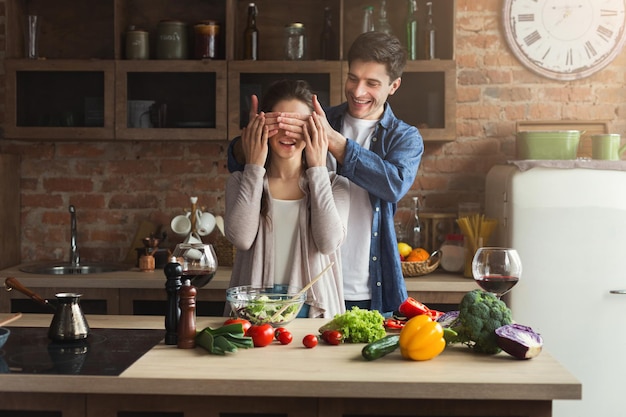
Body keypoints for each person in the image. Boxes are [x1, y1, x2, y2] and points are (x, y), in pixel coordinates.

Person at [228, 32, 423, 314]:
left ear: (394, 85)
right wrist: (251, 141)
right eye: (353, 78)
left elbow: (393, 184)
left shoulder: (404, 137)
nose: (358, 91)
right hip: (310, 282)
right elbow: (242, 162)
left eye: (372, 83)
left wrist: (334, 142)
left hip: (369, 286)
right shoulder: (320, 117)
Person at [224, 79, 350, 319]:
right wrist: (254, 165)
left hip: (314, 312)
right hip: (253, 313)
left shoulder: (336, 185)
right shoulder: (240, 181)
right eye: (280, 122)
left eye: (298, 124)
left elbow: (328, 242)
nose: (288, 132)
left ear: (315, 130)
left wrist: (317, 169)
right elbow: (241, 238)